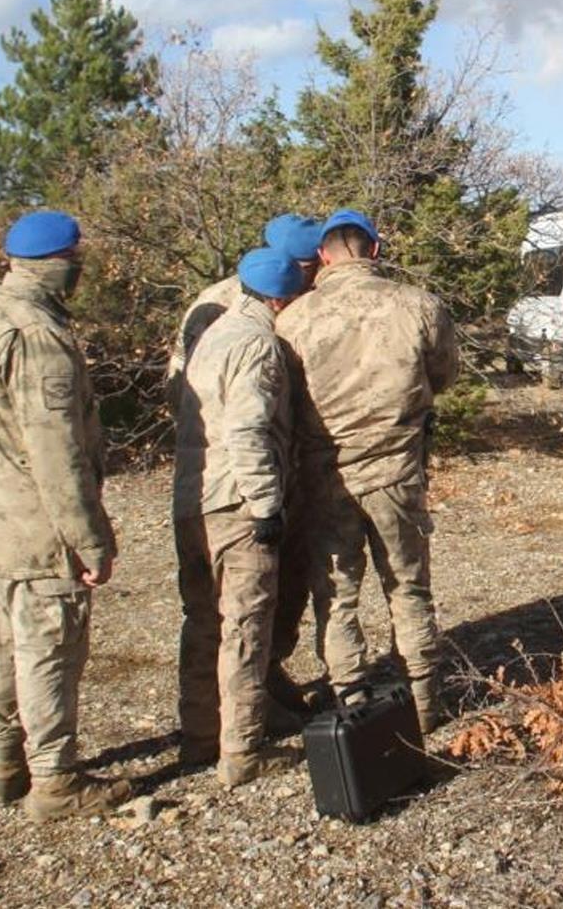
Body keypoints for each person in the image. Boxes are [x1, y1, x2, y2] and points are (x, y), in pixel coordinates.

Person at [0, 210, 131, 822]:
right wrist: (89, 537)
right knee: (49, 647)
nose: (81, 268)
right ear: (61, 263)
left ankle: (3, 763)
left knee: (2, 641)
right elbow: (56, 452)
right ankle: (55, 780)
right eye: (78, 257)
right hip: (36, 528)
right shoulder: (37, 336)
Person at [276, 209, 459, 732]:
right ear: (374, 251)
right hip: (398, 472)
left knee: (336, 597)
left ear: (323, 257)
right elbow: (443, 374)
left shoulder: (292, 320)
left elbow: (281, 401)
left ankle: (352, 705)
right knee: (408, 587)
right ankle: (424, 705)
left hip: (325, 475)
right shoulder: (419, 306)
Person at [172, 245, 307, 787]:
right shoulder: (258, 345)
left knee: (202, 621)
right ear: (281, 298)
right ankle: (244, 751)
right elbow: (248, 429)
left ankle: (199, 736)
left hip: (192, 499)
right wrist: (266, 504)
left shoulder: (211, 336)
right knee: (246, 627)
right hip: (235, 503)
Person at [166, 214, 323, 405]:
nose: (315, 274)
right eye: (310, 268)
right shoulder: (217, 302)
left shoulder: (309, 297)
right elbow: (181, 379)